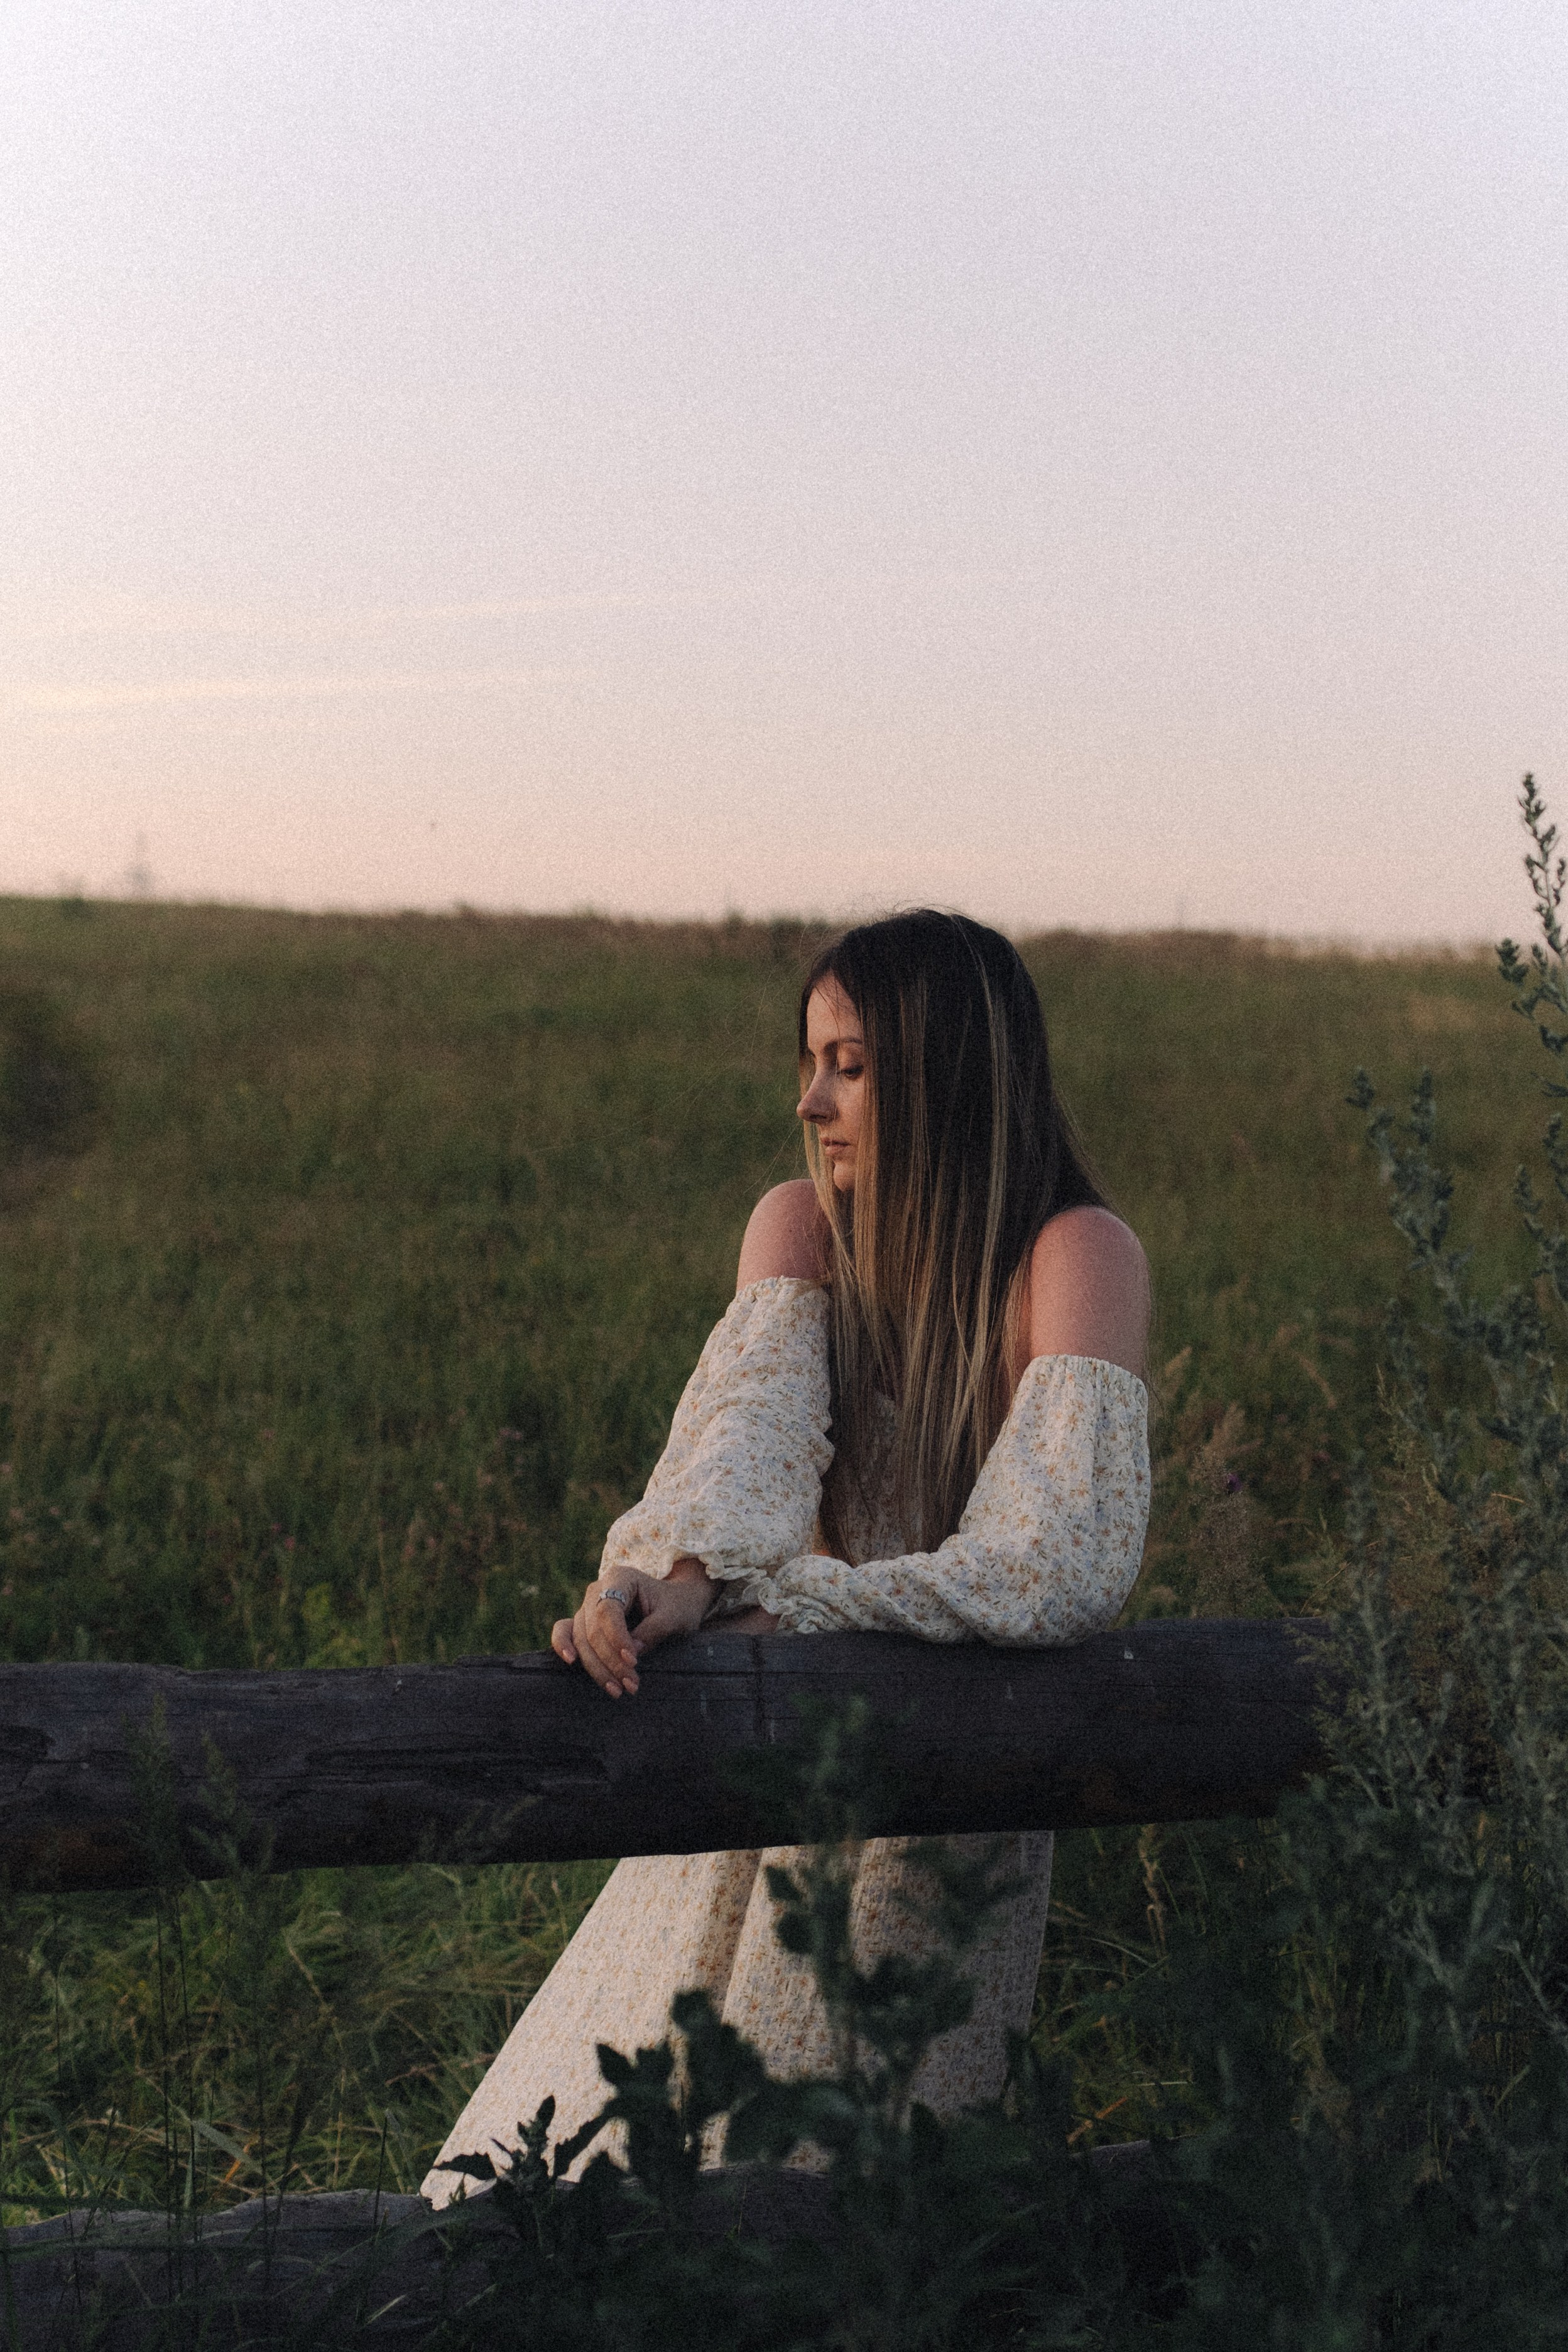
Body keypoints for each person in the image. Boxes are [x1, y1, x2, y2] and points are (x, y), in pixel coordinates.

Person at [423, 912, 1150, 2202]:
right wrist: (675, 1579)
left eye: (853, 1065)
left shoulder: (1071, 1252)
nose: (809, 1099)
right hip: (765, 1736)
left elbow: (1058, 1562)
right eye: (813, 1059)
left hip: (947, 1790)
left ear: (953, 1072)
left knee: (830, 2185)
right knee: (588, 2148)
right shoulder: (801, 1229)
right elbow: (744, 1456)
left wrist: (798, 1609)